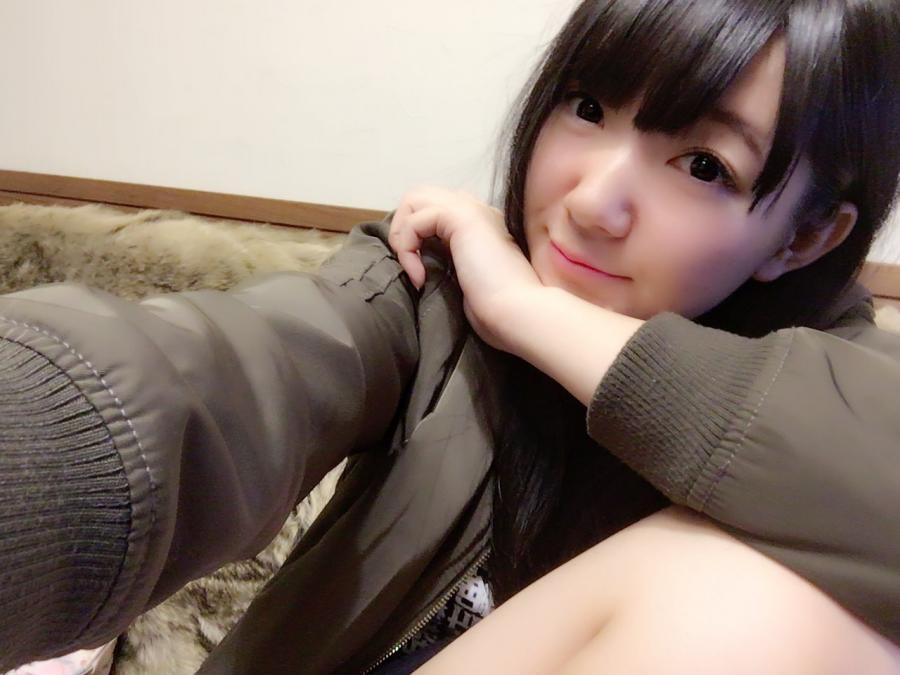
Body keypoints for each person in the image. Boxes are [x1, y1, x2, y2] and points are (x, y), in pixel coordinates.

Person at [0, 0, 898, 673]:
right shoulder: (429, 294)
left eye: (704, 165)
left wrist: (534, 315)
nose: (592, 201)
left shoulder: (850, 391)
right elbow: (214, 381)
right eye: (587, 107)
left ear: (804, 237)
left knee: (783, 600)